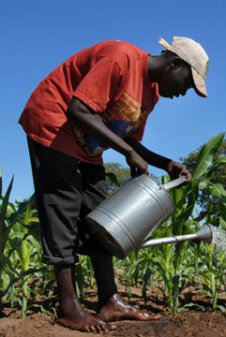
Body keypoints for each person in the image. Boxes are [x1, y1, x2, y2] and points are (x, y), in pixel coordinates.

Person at [18, 36, 209, 333]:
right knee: (63, 211)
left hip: (88, 146)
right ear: (175, 63)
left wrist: (165, 163)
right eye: (187, 83)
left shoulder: (151, 94)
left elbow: (129, 139)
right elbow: (78, 110)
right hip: (54, 125)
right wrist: (127, 153)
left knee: (102, 215)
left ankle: (110, 301)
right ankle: (68, 307)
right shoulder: (120, 57)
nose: (184, 92)